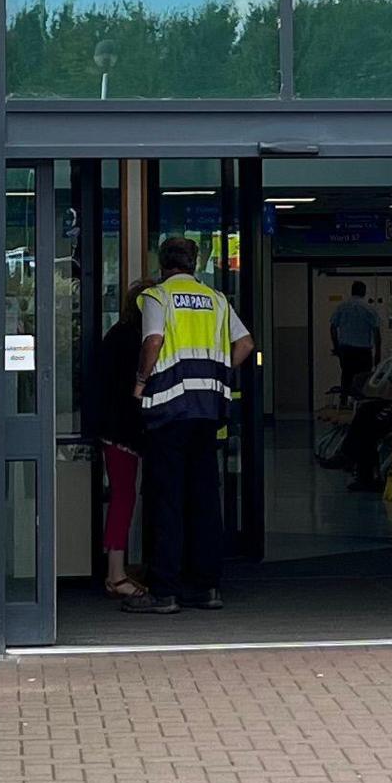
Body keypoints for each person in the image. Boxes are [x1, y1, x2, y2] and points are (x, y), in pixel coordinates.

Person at [129, 235, 253, 615]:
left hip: (169, 410)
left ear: (162, 263)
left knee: (166, 501)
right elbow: (246, 343)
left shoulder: (158, 297)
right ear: (195, 263)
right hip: (208, 409)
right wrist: (218, 372)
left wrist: (139, 382)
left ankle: (165, 590)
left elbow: (153, 340)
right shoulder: (217, 300)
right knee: (204, 500)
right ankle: (206, 587)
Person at [83, 306, 148, 600]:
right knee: (124, 498)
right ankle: (116, 573)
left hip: (111, 429)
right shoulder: (136, 341)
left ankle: (115, 570)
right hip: (123, 432)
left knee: (122, 497)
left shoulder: (116, 336)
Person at [329, 281, 384, 404]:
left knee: (346, 377)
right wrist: (378, 353)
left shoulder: (342, 307)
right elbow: (376, 333)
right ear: (363, 292)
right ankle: (360, 406)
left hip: (346, 350)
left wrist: (336, 347)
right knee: (364, 380)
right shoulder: (369, 309)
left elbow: (333, 328)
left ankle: (344, 404)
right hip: (364, 352)